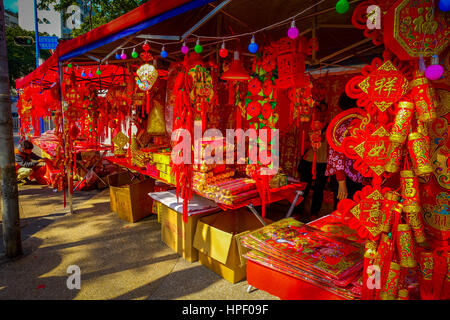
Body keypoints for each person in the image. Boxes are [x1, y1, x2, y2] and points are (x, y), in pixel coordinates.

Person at [325, 92, 364, 210]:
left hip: (355, 175)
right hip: (345, 177)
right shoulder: (344, 125)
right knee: (343, 211)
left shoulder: (358, 122)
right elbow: (337, 154)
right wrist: (341, 182)